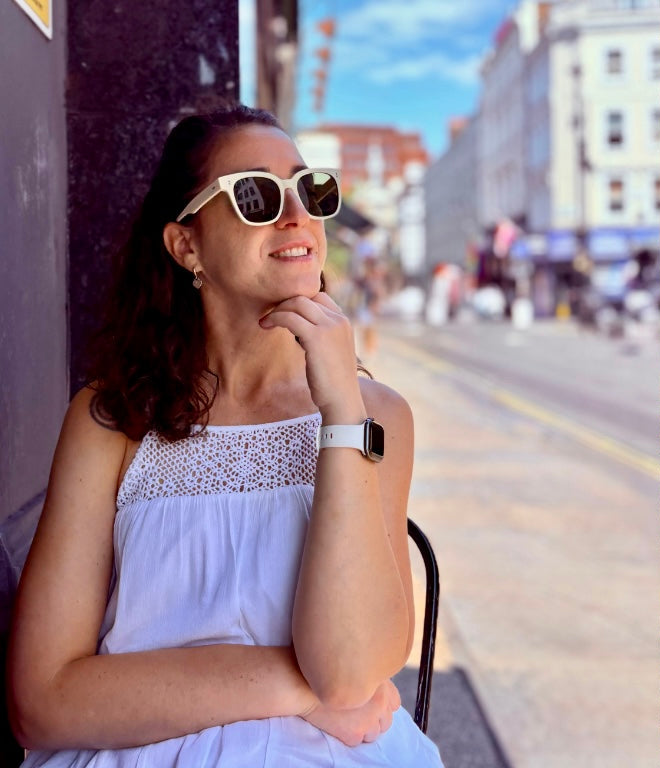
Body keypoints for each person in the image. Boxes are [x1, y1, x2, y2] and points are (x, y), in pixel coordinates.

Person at [7, 104, 443, 767]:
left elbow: (350, 674)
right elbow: (40, 704)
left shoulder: (376, 414)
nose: (297, 215)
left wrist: (341, 412)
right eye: (256, 195)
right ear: (187, 245)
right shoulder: (112, 420)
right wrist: (294, 689)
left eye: (310, 189)